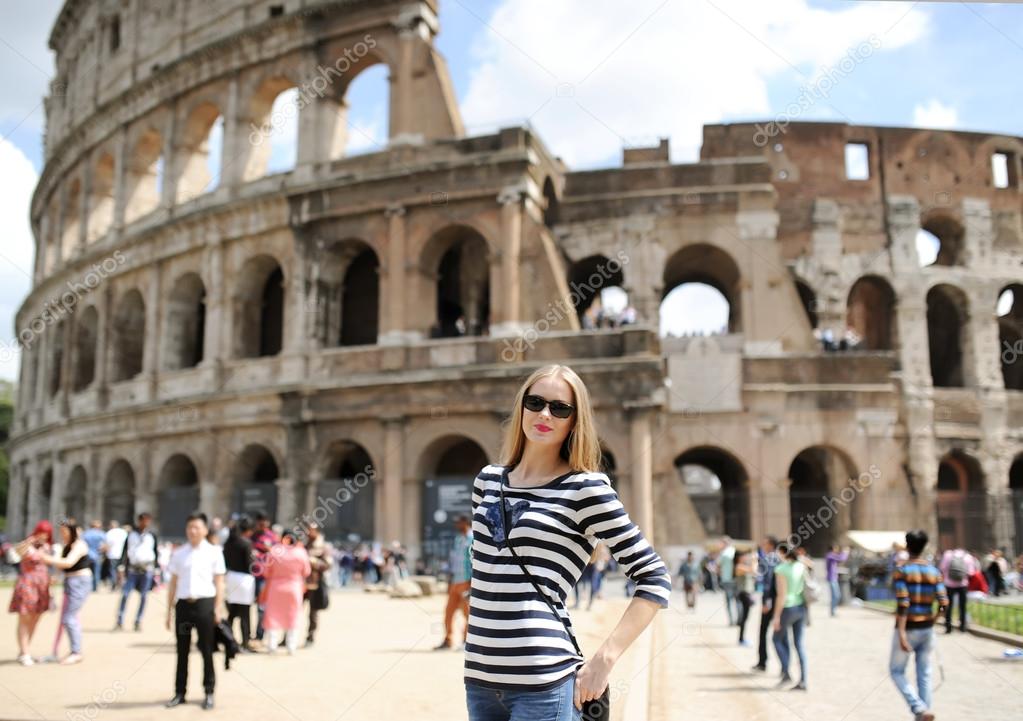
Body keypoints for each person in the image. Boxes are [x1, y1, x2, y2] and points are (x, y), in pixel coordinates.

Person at [464, 364, 672, 719]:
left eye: (560, 408)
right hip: (479, 679)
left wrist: (604, 660)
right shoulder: (488, 481)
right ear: (522, 407)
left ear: (575, 421)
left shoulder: (585, 489)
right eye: (536, 402)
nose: (545, 414)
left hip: (543, 682)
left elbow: (654, 577)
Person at [165, 512, 225, 710]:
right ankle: (179, 692)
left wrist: (218, 608)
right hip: (183, 605)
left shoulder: (214, 552)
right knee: (182, 650)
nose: (193, 531)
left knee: (207, 650)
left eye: (197, 527)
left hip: (204, 605)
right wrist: (168, 610)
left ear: (205, 530)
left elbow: (219, 582)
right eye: (190, 527)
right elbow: (172, 583)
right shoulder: (179, 553)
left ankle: (209, 691)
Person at [889, 530, 948, 721]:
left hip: (908, 628)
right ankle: (924, 712)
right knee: (924, 674)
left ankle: (918, 708)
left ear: (907, 547)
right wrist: (933, 620)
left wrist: (903, 635)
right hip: (927, 629)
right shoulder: (934, 571)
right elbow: (943, 603)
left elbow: (903, 603)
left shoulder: (902, 570)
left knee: (896, 671)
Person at [40, 520, 93, 664]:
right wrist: (54, 578)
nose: (63, 535)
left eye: (65, 532)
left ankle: (76, 652)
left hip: (79, 582)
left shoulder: (79, 545)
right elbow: (62, 568)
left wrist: (45, 558)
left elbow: (68, 562)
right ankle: (55, 651)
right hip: (70, 582)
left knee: (69, 618)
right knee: (65, 618)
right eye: (61, 532)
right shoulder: (66, 546)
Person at [9, 521, 54, 666]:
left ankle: (25, 649)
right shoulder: (28, 546)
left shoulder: (48, 547)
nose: (44, 536)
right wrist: (29, 541)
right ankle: (24, 652)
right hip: (27, 585)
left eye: (46, 533)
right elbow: (15, 553)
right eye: (42, 532)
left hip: (42, 586)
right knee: (24, 619)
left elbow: (48, 568)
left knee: (35, 619)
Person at [260, 530, 311, 655]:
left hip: (275, 588)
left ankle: (272, 646)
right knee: (293, 615)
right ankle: (291, 646)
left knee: (272, 615)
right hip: (294, 587)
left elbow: (266, 572)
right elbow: (306, 572)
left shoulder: (274, 551)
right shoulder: (301, 553)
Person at [771, 542, 807, 691]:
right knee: (799, 644)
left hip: (788, 608)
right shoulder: (801, 566)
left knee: (776, 639)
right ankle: (803, 679)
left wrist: (776, 616)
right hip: (801, 607)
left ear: (783, 552)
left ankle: (786, 673)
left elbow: (782, 595)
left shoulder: (781, 569)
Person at [115, 512, 158, 631]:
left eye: (148, 521)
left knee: (144, 596)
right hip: (133, 569)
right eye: (143, 520)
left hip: (147, 569)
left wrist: (157, 568)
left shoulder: (152, 535)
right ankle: (120, 620)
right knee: (125, 594)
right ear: (139, 521)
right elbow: (125, 551)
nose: (145, 523)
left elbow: (155, 552)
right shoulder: (131, 535)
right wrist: (121, 565)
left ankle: (138, 621)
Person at [435, 514, 472, 650]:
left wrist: (472, 582)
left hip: (466, 581)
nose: (456, 525)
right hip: (455, 581)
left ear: (466, 522)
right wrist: (449, 582)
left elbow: (474, 561)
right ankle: (448, 640)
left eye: (459, 522)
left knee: (467, 613)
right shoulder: (458, 539)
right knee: (448, 612)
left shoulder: (473, 538)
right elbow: (454, 561)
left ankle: (466, 641)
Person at [223, 516, 256, 652]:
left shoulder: (228, 543)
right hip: (244, 580)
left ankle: (228, 640)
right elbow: (249, 565)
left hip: (231, 578)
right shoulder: (246, 543)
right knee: (245, 614)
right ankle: (245, 643)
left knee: (232, 612)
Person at [250, 512, 278, 643]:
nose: (262, 525)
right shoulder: (251, 536)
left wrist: (268, 550)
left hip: (264, 577)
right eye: (259, 522)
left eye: (264, 522)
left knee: (262, 607)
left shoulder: (272, 537)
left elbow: (278, 555)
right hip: (250, 576)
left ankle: (259, 634)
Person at [752, 535, 778, 673]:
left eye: (765, 543)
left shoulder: (767, 560)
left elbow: (766, 583)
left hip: (770, 600)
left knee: (763, 632)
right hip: (780, 601)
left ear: (771, 545)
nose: (762, 545)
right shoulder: (780, 559)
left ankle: (763, 662)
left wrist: (767, 602)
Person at [304, 522, 330, 646]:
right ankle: (287, 636)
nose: (309, 532)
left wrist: (315, 563)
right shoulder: (304, 545)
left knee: (313, 612)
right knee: (293, 609)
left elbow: (328, 565)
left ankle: (310, 635)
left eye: (311, 530)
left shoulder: (322, 547)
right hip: (302, 582)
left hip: (315, 582)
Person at [939, 546, 976, 633]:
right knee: (962, 606)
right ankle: (962, 626)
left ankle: (948, 626)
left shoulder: (948, 555)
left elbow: (942, 568)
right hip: (962, 584)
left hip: (949, 584)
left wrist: (947, 575)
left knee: (948, 605)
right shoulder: (968, 557)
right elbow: (971, 572)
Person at [735, 549, 757, 646]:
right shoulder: (739, 567)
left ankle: (742, 638)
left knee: (745, 618)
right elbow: (753, 570)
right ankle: (741, 639)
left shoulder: (743, 566)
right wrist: (754, 559)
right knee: (744, 618)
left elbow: (754, 571)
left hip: (747, 594)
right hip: (743, 594)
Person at [825, 545, 849, 617]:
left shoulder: (831, 555)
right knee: (835, 596)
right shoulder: (830, 555)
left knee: (837, 595)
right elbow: (841, 558)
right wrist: (845, 552)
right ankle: (832, 612)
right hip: (831, 578)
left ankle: (833, 611)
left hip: (834, 578)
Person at [82, 521, 106, 591]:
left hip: (87, 555)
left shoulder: (86, 533)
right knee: (96, 572)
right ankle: (95, 588)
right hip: (97, 555)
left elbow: (82, 543)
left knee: (87, 572)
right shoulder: (101, 534)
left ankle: (88, 587)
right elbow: (105, 545)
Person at [104, 521, 128, 590]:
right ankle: (121, 584)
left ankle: (114, 584)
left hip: (112, 554)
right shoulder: (123, 532)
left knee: (113, 570)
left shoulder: (109, 533)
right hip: (122, 554)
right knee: (121, 570)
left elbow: (107, 545)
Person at [718, 536, 737, 625]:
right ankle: (739, 620)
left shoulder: (724, 553)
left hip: (727, 580)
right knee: (737, 601)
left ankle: (731, 620)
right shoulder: (735, 551)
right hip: (736, 579)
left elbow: (717, 564)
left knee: (729, 601)